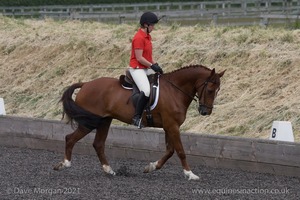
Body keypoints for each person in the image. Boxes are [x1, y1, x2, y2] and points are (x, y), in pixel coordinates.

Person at [129, 11, 163, 129]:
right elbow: (139, 58)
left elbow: (148, 57)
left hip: (145, 67)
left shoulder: (148, 37)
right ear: (146, 25)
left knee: (161, 80)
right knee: (146, 91)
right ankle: (137, 117)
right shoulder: (138, 37)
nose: (154, 27)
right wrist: (152, 66)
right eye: (152, 25)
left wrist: (156, 65)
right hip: (137, 68)